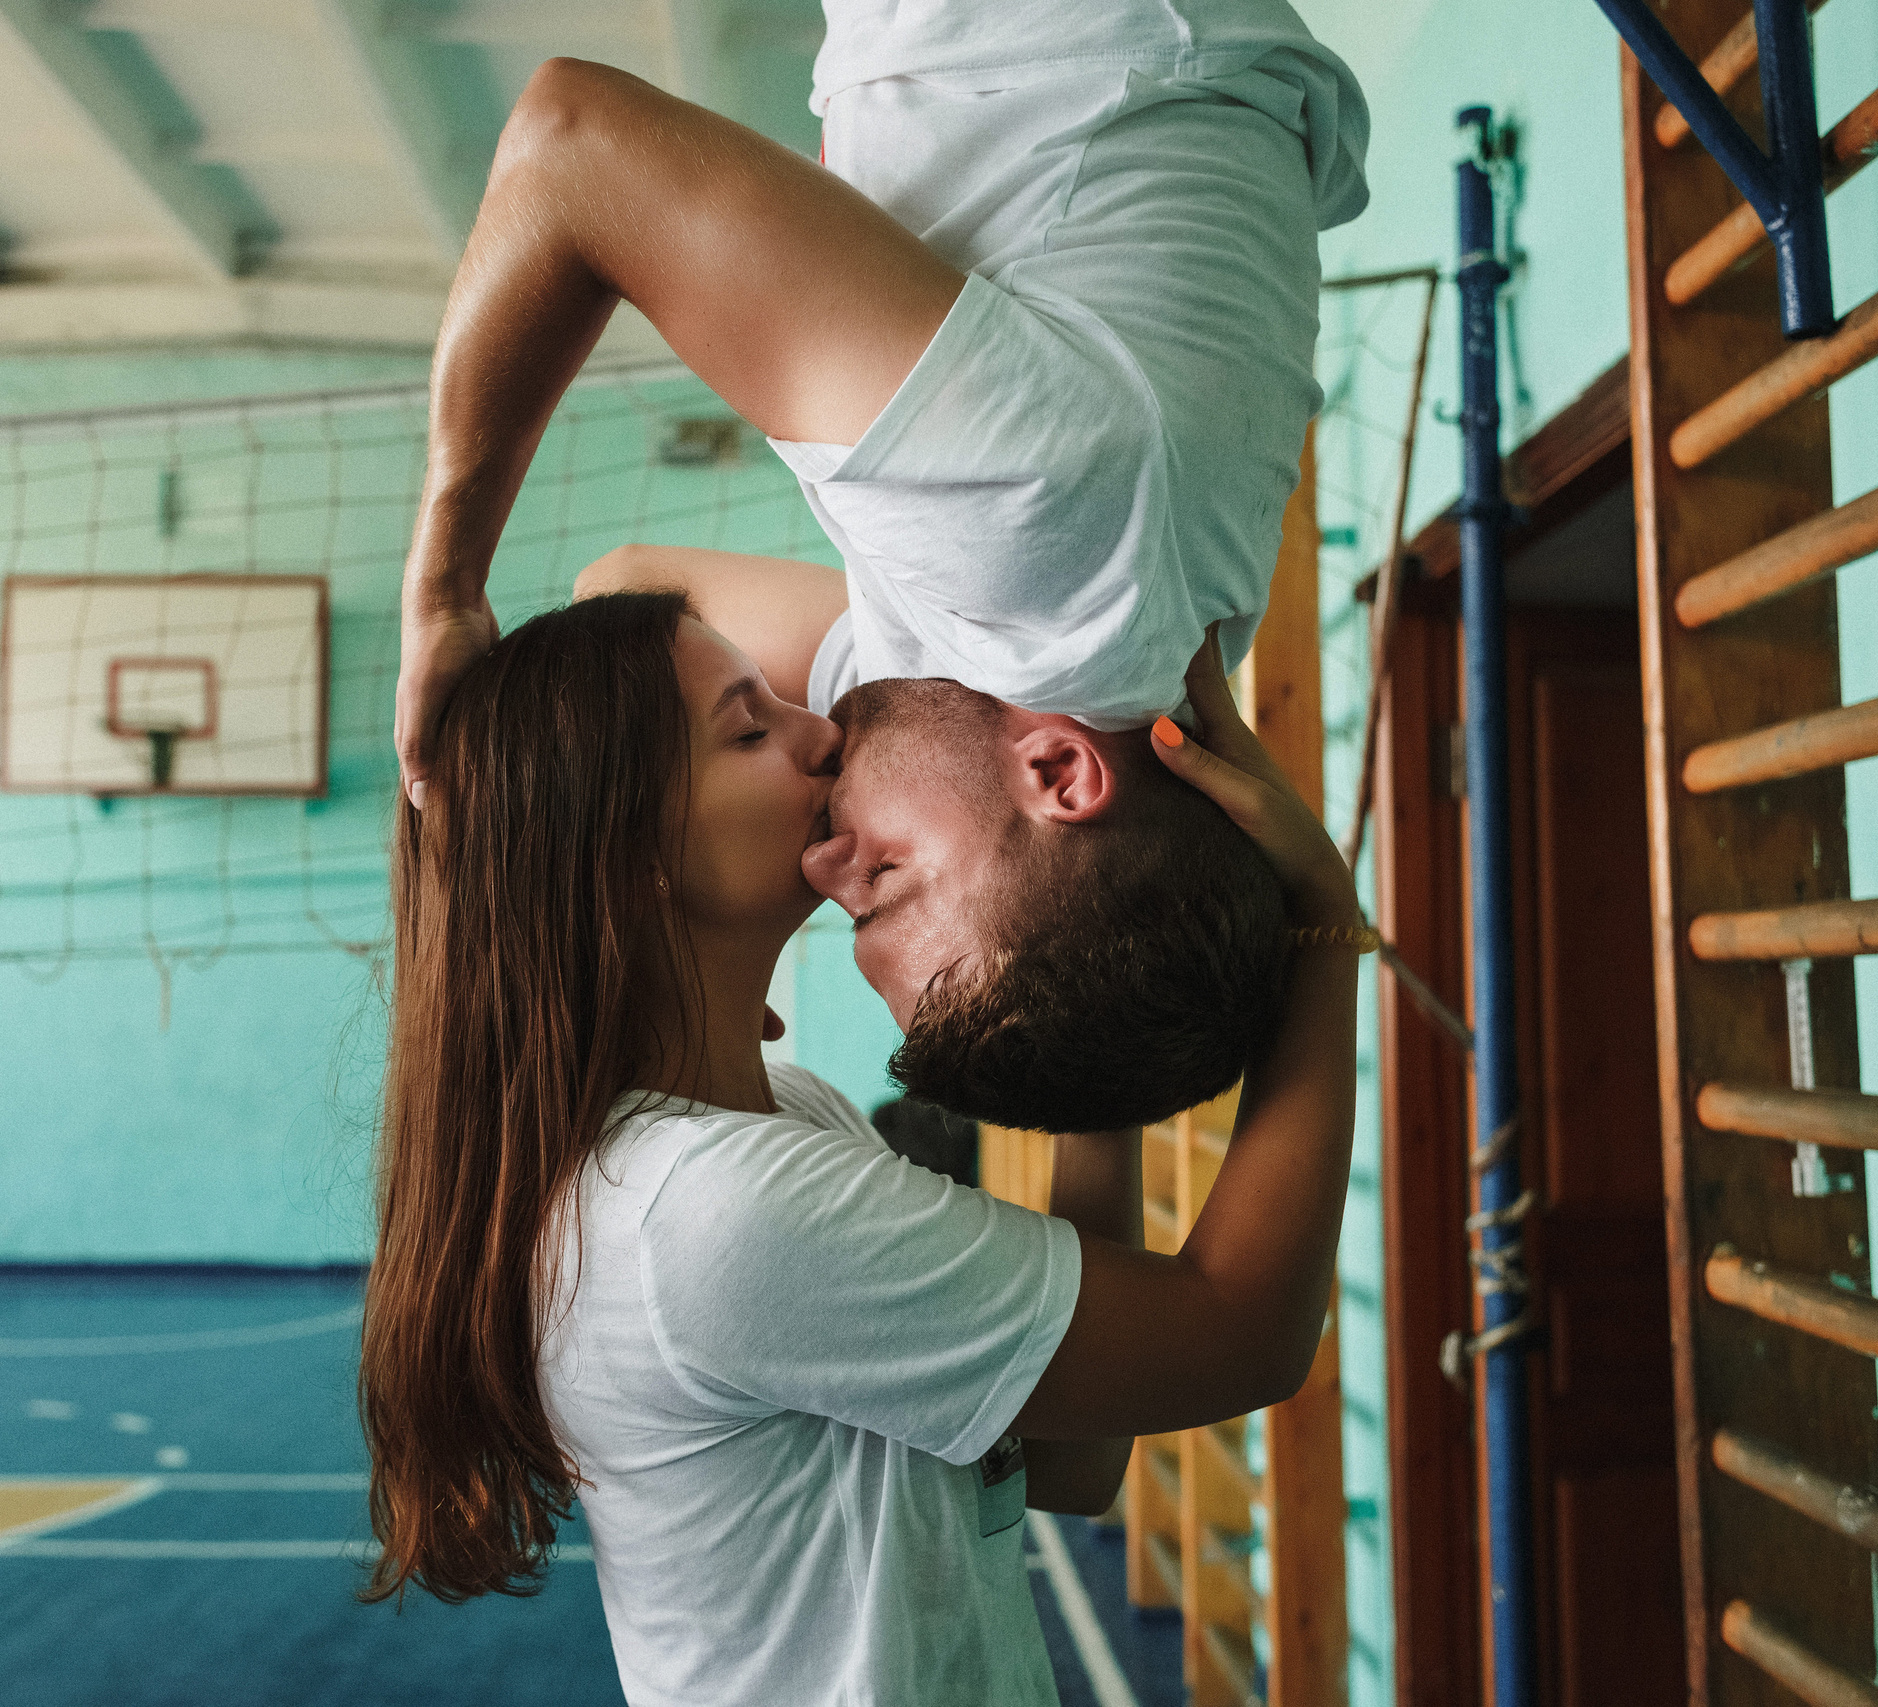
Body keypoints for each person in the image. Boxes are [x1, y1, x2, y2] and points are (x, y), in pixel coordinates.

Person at [364, 589, 1364, 1706]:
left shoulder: (777, 1121)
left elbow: (1075, 1460)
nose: (822, 733)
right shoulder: (714, 1208)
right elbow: (1242, 1336)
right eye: (749, 731)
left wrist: (1088, 991)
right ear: (629, 861)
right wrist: (1323, 920)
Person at [393, 1, 1368, 1133]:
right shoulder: (1039, 542)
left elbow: (627, 584)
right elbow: (568, 144)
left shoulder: (1036, 675)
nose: (824, 865)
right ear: (1058, 777)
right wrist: (446, 591)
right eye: (882, 881)